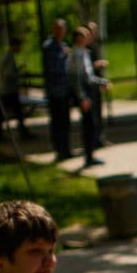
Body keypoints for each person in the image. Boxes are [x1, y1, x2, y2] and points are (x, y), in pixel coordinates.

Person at [68, 26, 109, 167]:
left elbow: (88, 76)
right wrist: (82, 97)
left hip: (86, 91)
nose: (88, 38)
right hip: (84, 93)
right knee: (89, 125)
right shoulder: (78, 54)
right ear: (79, 38)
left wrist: (100, 82)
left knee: (91, 124)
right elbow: (78, 78)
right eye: (86, 35)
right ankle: (89, 157)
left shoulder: (82, 52)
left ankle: (90, 155)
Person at [42, 18, 71, 161]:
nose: (60, 32)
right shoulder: (49, 47)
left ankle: (66, 148)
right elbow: (53, 68)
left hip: (65, 90)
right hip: (55, 91)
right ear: (53, 30)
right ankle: (59, 150)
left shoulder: (64, 46)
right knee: (57, 122)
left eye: (62, 29)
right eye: (57, 29)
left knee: (66, 121)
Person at [0, 36, 34, 141]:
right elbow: (8, 74)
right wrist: (18, 74)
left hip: (4, 89)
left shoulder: (7, 56)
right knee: (13, 112)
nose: (20, 48)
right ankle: (22, 133)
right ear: (15, 46)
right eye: (19, 46)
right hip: (8, 90)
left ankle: (0, 134)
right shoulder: (9, 57)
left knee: (4, 112)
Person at [85, 22, 109, 149]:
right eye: (91, 31)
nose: (94, 34)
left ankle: (99, 138)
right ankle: (93, 141)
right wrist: (97, 65)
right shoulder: (84, 49)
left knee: (98, 114)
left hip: (95, 84)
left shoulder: (93, 47)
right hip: (89, 86)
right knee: (92, 116)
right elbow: (85, 69)